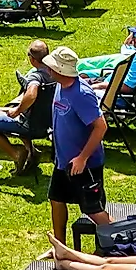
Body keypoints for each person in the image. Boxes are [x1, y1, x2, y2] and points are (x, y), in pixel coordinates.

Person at [43, 46, 107, 242]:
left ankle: (120, 244)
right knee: (56, 199)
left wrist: (82, 158)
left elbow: (101, 127)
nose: (48, 69)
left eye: (51, 67)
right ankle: (60, 247)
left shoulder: (82, 94)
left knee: (93, 210)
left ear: (60, 70)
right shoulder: (59, 86)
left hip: (83, 165)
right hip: (63, 161)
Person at [0, 40, 59, 172]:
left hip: (30, 125)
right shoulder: (55, 73)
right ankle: (32, 152)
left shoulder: (36, 77)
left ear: (32, 59)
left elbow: (31, 95)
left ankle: (17, 155)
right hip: (48, 124)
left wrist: (17, 111)